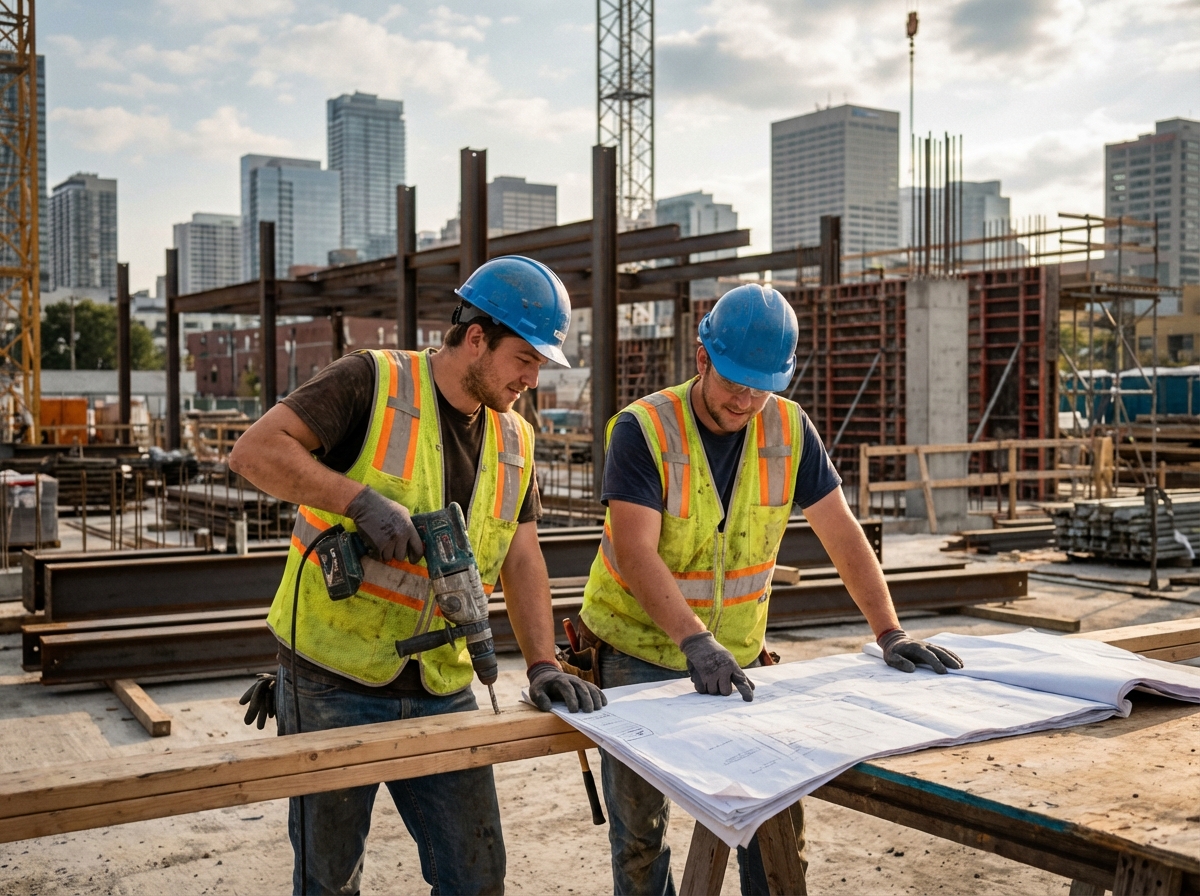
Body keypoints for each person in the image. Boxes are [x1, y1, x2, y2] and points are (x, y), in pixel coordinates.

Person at [229, 255, 605, 896]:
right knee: (328, 881)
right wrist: (358, 500)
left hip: (443, 681)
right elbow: (254, 452)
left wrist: (542, 663)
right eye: (525, 359)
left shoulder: (516, 435)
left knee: (477, 876)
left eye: (541, 365)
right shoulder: (370, 381)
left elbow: (521, 555)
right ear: (477, 337)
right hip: (332, 679)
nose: (532, 380)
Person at [576, 283, 963, 896]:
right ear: (701, 358)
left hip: (740, 654)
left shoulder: (787, 427)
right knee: (641, 839)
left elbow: (842, 532)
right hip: (637, 654)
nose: (748, 400)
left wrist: (890, 631)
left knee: (769, 812)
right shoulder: (644, 429)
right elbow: (635, 550)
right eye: (736, 383)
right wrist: (695, 642)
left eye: (763, 386)